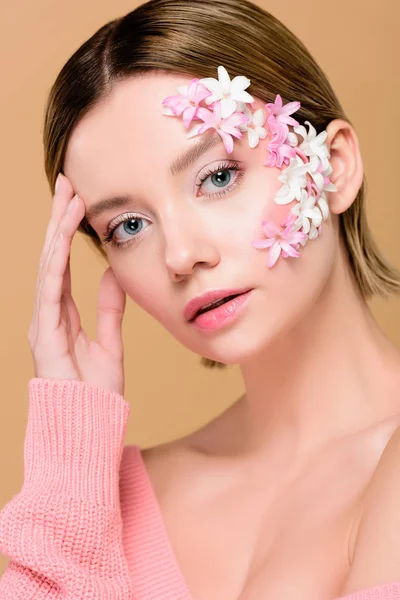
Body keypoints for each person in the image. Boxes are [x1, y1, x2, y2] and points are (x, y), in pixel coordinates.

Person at [0, 0, 399, 598]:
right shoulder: (97, 503)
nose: (180, 255)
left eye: (217, 176)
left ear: (334, 166)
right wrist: (72, 448)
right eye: (129, 225)